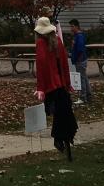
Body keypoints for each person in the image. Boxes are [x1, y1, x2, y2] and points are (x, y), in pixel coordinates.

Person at [34, 16, 77, 160]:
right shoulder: (58, 41)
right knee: (64, 113)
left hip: (51, 86)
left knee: (58, 114)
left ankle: (59, 139)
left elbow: (41, 66)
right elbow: (65, 64)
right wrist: (68, 83)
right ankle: (65, 138)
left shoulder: (41, 43)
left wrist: (41, 88)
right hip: (61, 84)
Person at [68, 19, 91, 105]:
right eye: (70, 26)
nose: (71, 28)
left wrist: (77, 58)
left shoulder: (79, 36)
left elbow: (80, 49)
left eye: (72, 26)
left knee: (81, 79)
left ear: (77, 26)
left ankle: (83, 97)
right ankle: (88, 95)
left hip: (80, 60)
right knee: (84, 77)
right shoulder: (76, 36)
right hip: (79, 60)